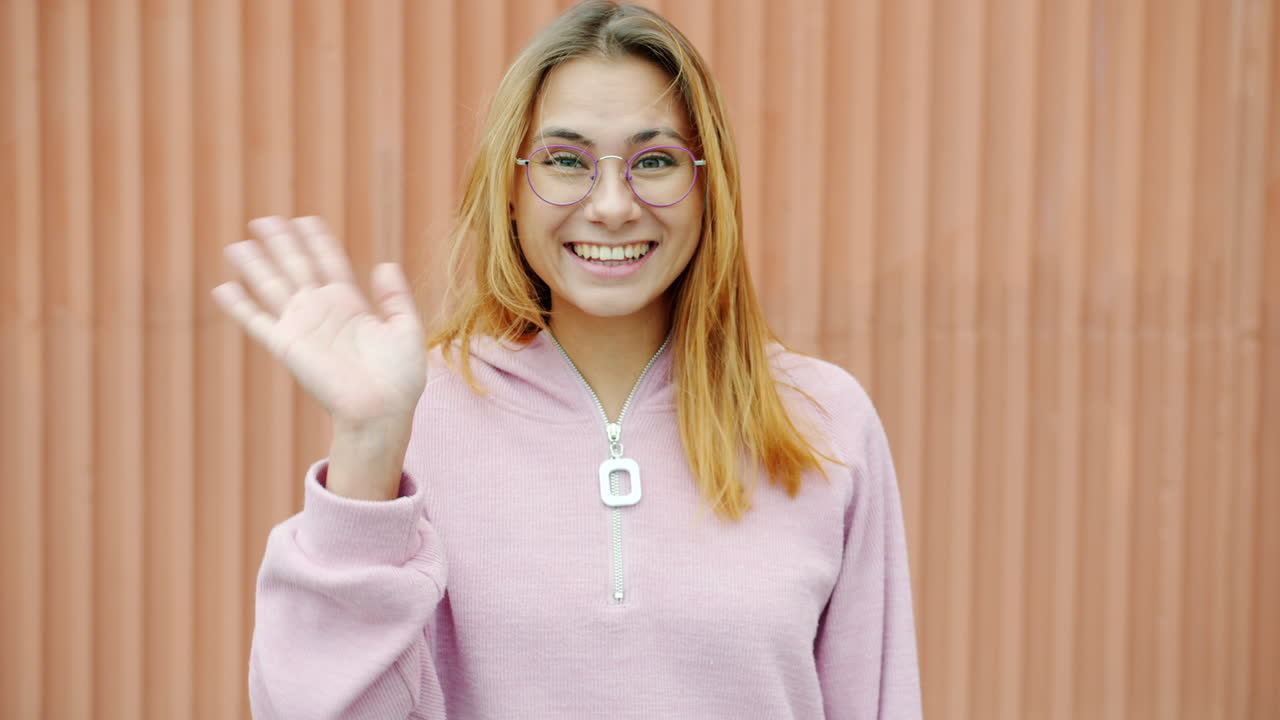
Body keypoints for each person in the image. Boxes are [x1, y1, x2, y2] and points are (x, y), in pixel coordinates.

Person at [212, 1, 921, 717]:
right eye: (564, 160)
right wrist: (367, 448)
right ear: (511, 191)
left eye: (655, 161)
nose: (612, 205)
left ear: (710, 189)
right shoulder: (416, 417)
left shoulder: (825, 424)